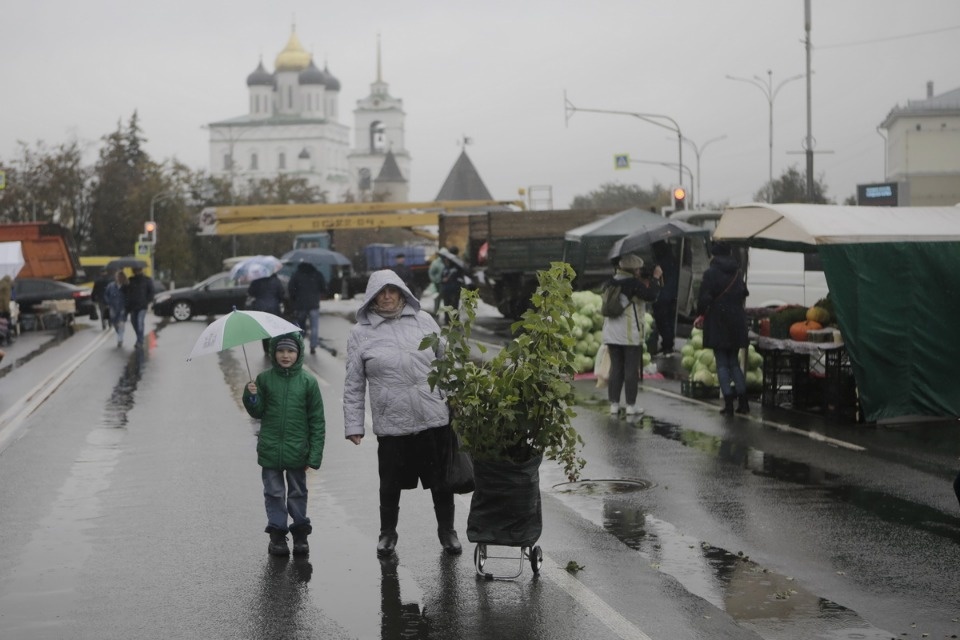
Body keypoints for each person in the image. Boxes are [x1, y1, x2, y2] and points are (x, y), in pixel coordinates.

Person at [343, 269, 461, 558]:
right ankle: (387, 533)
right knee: (390, 483)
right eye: (381, 292)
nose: (386, 297)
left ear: (401, 293)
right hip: (392, 421)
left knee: (441, 481)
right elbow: (354, 383)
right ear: (372, 297)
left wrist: (458, 397)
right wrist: (353, 425)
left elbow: (447, 362)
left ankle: (447, 531)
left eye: (391, 290)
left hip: (431, 414)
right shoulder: (360, 333)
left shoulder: (423, 321)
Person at [243, 332, 326, 557]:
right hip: (271, 448)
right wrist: (251, 396)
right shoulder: (264, 379)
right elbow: (257, 411)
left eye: (290, 351)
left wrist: (315, 454)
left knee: (298, 492)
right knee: (274, 492)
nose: (285, 355)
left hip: (298, 449)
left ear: (298, 353)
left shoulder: (308, 382)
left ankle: (300, 534)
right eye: (280, 351)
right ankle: (277, 534)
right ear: (273, 353)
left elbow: (317, 420)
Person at [602, 254, 661, 418]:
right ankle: (630, 405)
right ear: (634, 269)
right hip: (629, 334)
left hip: (611, 333)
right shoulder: (633, 284)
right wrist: (655, 278)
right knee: (630, 369)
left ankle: (614, 404)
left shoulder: (610, 283)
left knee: (616, 368)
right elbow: (652, 296)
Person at [695, 241, 750, 416]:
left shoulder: (711, 274)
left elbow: (703, 300)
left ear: (715, 255)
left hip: (718, 321)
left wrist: (701, 314)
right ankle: (743, 402)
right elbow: (743, 293)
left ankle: (728, 404)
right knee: (734, 363)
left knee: (722, 364)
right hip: (736, 321)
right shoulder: (737, 272)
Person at [287, 262, 327, 355]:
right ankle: (313, 346)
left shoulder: (296, 275)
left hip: (300, 305)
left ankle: (299, 345)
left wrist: (294, 298)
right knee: (314, 327)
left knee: (300, 326)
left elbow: (291, 289)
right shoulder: (317, 274)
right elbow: (324, 287)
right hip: (314, 304)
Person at [651, 241, 680, 354]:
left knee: (662, 321)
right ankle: (668, 344)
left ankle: (667, 345)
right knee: (669, 320)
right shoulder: (672, 260)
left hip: (662, 295)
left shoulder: (660, 263)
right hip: (672, 294)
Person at [246, 272, 287, 353]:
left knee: (264, 329)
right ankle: (274, 346)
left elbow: (250, 292)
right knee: (274, 328)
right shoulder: (276, 281)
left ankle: (266, 349)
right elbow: (281, 293)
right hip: (273, 308)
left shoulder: (257, 281)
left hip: (260, 308)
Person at [123, 266, 155, 348]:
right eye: (135, 270)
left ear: (141, 270)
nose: (137, 272)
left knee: (140, 323)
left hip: (142, 306)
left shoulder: (147, 280)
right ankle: (139, 338)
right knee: (134, 323)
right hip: (133, 306)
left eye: (138, 270)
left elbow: (151, 291)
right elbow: (125, 292)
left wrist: (147, 301)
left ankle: (140, 341)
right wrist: (125, 284)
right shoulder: (130, 280)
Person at [439, 248, 467, 324]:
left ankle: (454, 322)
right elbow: (441, 278)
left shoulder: (458, 267)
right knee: (447, 306)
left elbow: (461, 278)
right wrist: (443, 280)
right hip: (446, 290)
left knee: (454, 306)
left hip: (454, 289)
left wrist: (455, 281)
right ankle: (447, 321)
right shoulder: (445, 268)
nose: (446, 260)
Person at [104, 271, 128, 347]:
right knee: (115, 323)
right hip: (113, 307)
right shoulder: (111, 286)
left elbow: (129, 295)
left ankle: (120, 339)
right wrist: (108, 302)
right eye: (116, 276)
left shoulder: (125, 286)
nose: (117, 278)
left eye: (118, 276)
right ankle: (119, 334)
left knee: (121, 323)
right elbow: (106, 295)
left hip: (122, 307)